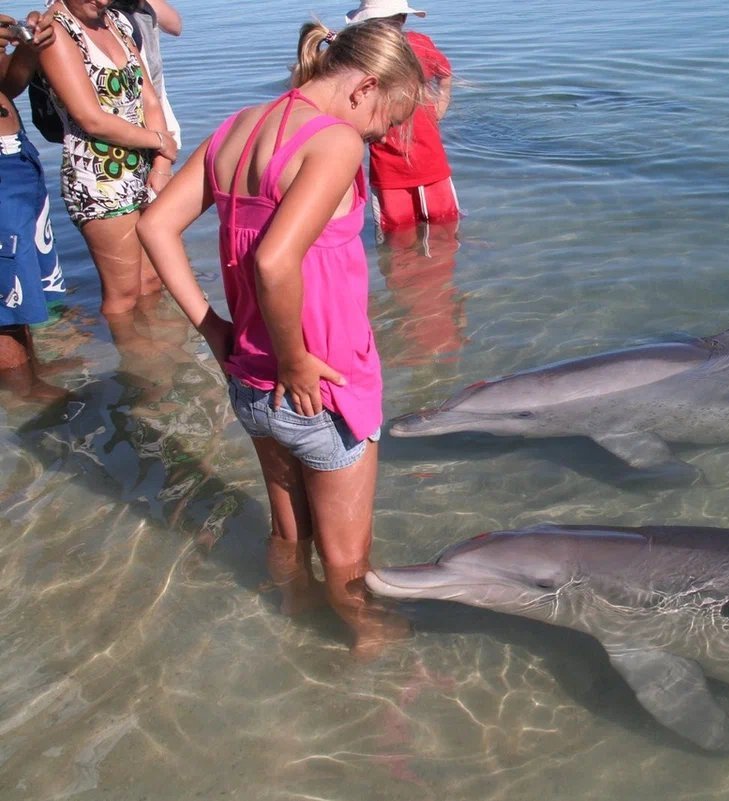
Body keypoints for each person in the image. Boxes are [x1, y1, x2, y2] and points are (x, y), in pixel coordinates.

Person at [138, 18, 426, 657]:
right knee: (350, 566)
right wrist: (297, 361)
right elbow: (275, 261)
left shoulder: (239, 126)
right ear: (364, 88)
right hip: (322, 387)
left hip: (248, 378)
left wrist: (214, 328)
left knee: (289, 535)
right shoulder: (335, 143)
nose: (382, 135)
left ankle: (291, 639)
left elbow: (157, 225)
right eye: (387, 119)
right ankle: (376, 674)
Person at [38, 0, 179, 317]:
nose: (102, 1)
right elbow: (91, 119)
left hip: (144, 165)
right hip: (98, 174)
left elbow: (149, 99)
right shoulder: (57, 31)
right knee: (125, 293)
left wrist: (161, 164)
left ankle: (165, 359)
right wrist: (160, 140)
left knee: (155, 279)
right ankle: (132, 363)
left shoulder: (116, 22)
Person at [345, 0, 459, 237]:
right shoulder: (369, 52)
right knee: (439, 234)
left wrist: (439, 106)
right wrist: (440, 104)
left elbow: (445, 75)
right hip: (403, 164)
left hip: (411, 164)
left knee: (401, 242)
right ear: (404, 18)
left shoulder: (362, 54)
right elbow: (445, 76)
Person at [0, 10, 68, 400]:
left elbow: (7, 84)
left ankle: (30, 367)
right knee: (4, 295)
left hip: (16, 159)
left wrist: (27, 51)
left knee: (21, 278)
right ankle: (22, 391)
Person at [110, 0, 183, 148]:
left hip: (153, 116)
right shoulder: (111, 20)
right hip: (132, 122)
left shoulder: (140, 12)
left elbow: (175, 25)